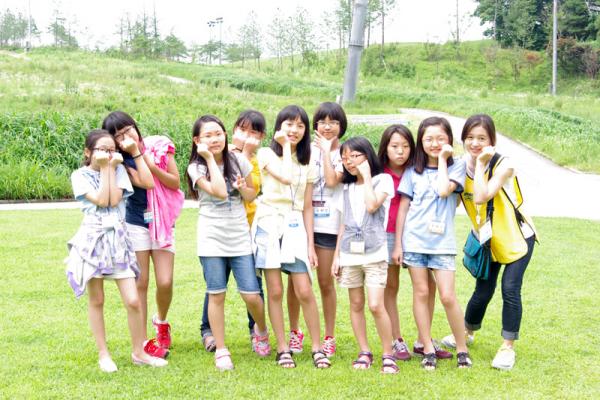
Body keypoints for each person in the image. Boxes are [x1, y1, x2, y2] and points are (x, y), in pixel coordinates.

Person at [65, 129, 167, 372]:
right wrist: (107, 168)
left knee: (133, 300)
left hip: (119, 240)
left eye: (112, 150)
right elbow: (103, 201)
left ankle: (139, 352)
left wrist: (110, 168)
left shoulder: (119, 170)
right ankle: (103, 354)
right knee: (97, 299)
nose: (108, 154)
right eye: (102, 149)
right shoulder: (79, 175)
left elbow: (114, 201)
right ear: (88, 152)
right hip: (93, 240)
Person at [440, 114, 537, 371]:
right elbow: (452, 199)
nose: (475, 143)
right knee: (483, 290)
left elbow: (481, 196)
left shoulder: (504, 165)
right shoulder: (460, 167)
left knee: (510, 288)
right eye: (470, 137)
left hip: (517, 238)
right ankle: (467, 332)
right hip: (488, 241)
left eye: (482, 138)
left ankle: (507, 347)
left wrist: (482, 163)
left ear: (492, 140)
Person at [187, 114, 270, 370]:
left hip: (239, 234)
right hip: (211, 236)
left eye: (218, 134)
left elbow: (252, 194)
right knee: (216, 293)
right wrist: (210, 158)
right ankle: (221, 349)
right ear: (197, 140)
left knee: (251, 294)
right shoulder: (196, 167)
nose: (214, 139)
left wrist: (243, 187)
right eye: (208, 135)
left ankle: (261, 331)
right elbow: (221, 192)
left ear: (225, 135)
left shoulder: (239, 160)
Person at [252, 105, 331, 369]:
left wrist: (310, 244)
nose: (294, 130)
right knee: (275, 290)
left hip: (295, 225)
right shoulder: (266, 154)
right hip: (268, 223)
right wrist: (285, 146)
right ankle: (282, 348)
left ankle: (317, 348)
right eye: (289, 124)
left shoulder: (308, 162)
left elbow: (307, 206)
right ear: (279, 127)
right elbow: (285, 177)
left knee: (304, 289)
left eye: (300, 125)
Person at [392, 116, 472, 370]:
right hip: (414, 241)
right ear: (421, 141)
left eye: (440, 138)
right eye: (429, 139)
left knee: (448, 296)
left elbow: (443, 190)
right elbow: (403, 208)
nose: (434, 143)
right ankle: (426, 347)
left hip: (442, 244)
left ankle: (462, 348)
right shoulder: (412, 171)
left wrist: (443, 160)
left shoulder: (456, 167)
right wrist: (398, 244)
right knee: (422, 292)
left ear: (449, 140)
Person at [102, 111, 183, 359]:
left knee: (165, 281)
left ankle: (161, 321)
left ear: (135, 127)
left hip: (162, 220)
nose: (126, 137)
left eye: (128, 130)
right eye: (118, 136)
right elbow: (146, 182)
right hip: (136, 222)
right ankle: (145, 341)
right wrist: (137, 154)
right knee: (141, 282)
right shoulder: (121, 162)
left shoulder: (159, 147)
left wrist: (151, 162)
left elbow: (175, 182)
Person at [331, 136, 398, 374]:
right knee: (356, 303)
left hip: (375, 252)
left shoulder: (383, 180)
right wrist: (337, 256)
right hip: (349, 253)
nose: (349, 162)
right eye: (345, 158)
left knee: (376, 304)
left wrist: (367, 176)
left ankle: (388, 354)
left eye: (355, 156)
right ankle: (364, 351)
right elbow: (343, 224)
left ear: (368, 156)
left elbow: (371, 206)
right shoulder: (345, 188)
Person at [287, 102, 346, 356]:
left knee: (324, 282)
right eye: (322, 122)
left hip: (330, 225)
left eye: (333, 122)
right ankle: (294, 331)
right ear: (315, 125)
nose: (327, 127)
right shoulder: (304, 150)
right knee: (295, 281)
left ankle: (329, 335)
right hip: (300, 223)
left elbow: (332, 181)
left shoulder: (346, 153)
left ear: (341, 126)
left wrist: (326, 152)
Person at [377, 124, 415, 361]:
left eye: (405, 146)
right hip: (387, 234)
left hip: (416, 235)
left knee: (426, 286)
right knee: (391, 286)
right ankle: (396, 338)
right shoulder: (378, 171)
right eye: (394, 146)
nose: (400, 151)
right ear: (386, 147)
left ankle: (424, 339)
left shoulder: (416, 171)